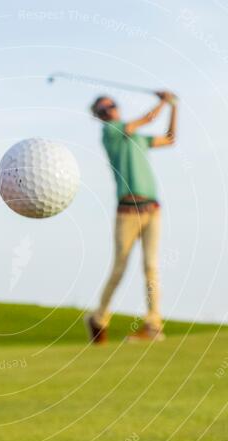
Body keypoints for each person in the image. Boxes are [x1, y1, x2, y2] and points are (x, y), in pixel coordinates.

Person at [86, 91, 179, 344]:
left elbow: (170, 139)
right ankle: (99, 317)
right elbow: (148, 118)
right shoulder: (110, 133)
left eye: (111, 106)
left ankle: (153, 325)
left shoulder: (136, 136)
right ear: (100, 116)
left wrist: (174, 107)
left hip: (152, 210)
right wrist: (164, 100)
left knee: (150, 266)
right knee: (119, 268)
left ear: (117, 107)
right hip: (127, 213)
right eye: (103, 110)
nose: (109, 111)